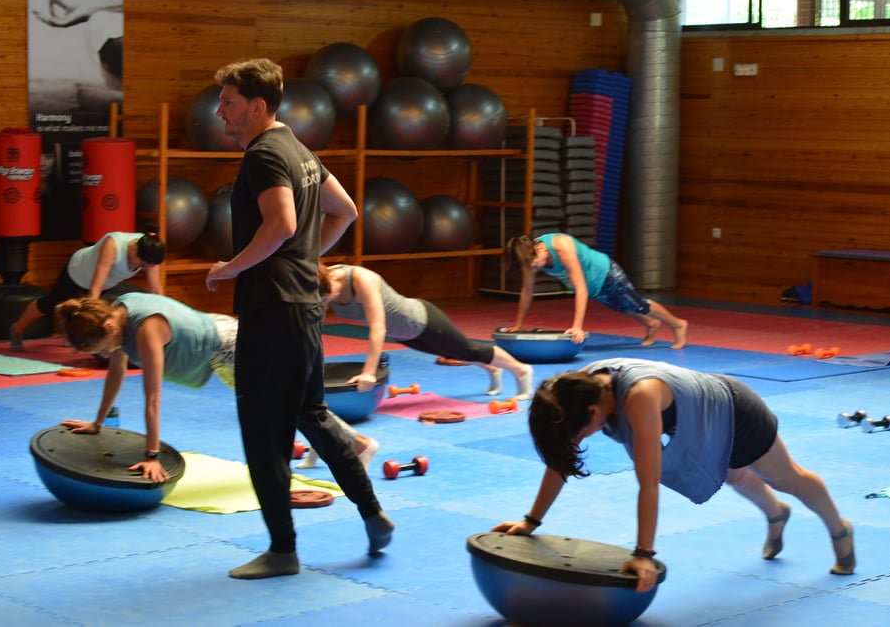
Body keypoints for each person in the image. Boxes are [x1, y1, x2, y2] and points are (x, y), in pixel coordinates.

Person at [204, 57, 392, 580]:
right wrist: (307, 261)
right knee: (311, 413)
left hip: (273, 310)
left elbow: (282, 223)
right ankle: (373, 513)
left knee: (262, 431)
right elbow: (345, 210)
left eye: (229, 102)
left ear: (256, 107)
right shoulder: (299, 148)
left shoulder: (264, 153)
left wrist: (230, 267)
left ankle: (283, 551)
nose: (220, 110)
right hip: (304, 308)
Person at [492, 357, 854, 593]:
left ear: (593, 411)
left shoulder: (638, 397)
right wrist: (530, 521)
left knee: (784, 477)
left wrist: (643, 554)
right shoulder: (578, 390)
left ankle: (839, 528)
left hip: (735, 409)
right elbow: (561, 459)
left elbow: (648, 483)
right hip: (696, 415)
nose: (584, 438)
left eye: (582, 432)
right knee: (733, 475)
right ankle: (776, 514)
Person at [54, 294, 378, 483]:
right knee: (278, 407)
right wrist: (97, 423)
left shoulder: (145, 330)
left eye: (101, 345)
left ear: (108, 327)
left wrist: (151, 456)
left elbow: (152, 399)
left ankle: (359, 444)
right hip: (218, 347)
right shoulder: (118, 313)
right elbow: (116, 370)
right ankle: (329, 442)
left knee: (284, 404)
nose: (104, 352)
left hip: (231, 345)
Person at [318, 263, 536, 401]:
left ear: (329, 284)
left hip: (422, 319)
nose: (326, 305)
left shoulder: (360, 279)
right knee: (459, 353)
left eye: (326, 299)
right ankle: (492, 370)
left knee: (468, 349)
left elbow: (378, 328)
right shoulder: (318, 284)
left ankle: (521, 370)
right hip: (405, 333)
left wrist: (369, 372)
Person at [506, 233, 688, 348]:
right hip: (593, 285)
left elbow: (581, 289)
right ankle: (651, 324)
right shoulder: (529, 255)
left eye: (535, 265)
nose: (534, 270)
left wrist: (577, 326)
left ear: (539, 249)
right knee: (623, 306)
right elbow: (527, 290)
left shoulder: (562, 246)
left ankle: (678, 324)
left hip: (605, 272)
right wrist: (519, 324)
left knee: (638, 304)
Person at [9, 231, 166, 351]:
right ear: (135, 249)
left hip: (105, 284)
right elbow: (94, 289)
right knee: (48, 305)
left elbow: (156, 290)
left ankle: (70, 335)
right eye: (143, 265)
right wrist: (93, 318)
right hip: (76, 273)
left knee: (84, 313)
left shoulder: (150, 249)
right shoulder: (113, 246)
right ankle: (17, 329)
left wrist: (163, 319)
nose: (145, 269)